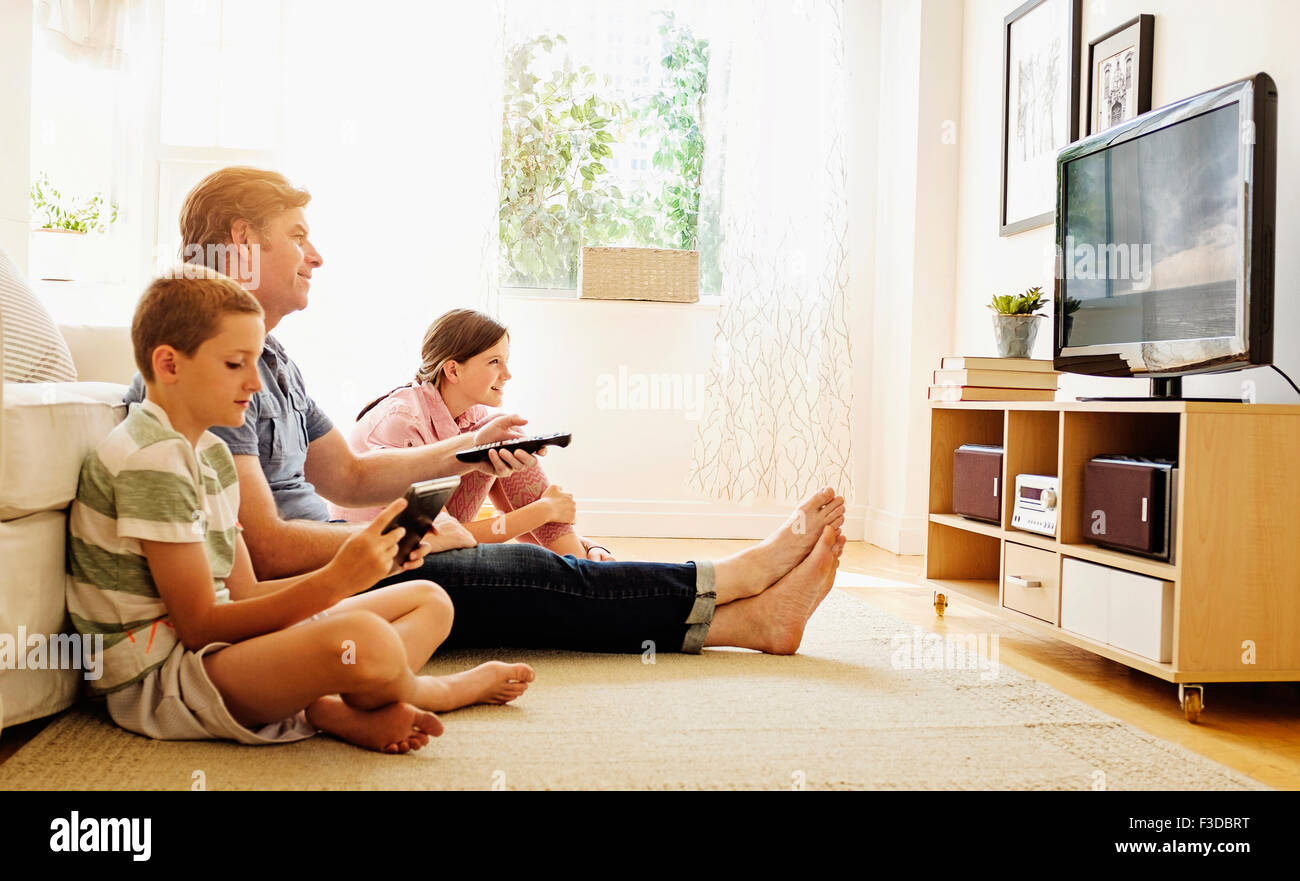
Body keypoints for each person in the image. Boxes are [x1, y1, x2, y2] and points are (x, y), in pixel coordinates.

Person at [127, 166, 848, 658]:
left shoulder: (273, 361)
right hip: (329, 572)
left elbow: (346, 474)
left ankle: (749, 619)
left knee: (516, 569)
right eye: (298, 235)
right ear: (245, 242)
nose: (317, 254)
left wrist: (465, 454)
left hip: (350, 554)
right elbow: (272, 548)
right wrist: (406, 543)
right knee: (521, 570)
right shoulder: (206, 375)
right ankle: (735, 581)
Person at [78, 269, 534, 755]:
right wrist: (337, 579)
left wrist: (364, 565)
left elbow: (245, 593)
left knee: (429, 598)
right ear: (169, 365)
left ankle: (330, 709)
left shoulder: (210, 453)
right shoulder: (152, 462)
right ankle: (433, 692)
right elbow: (200, 626)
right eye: (236, 364)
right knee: (364, 639)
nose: (255, 382)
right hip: (170, 675)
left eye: (256, 362)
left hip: (222, 645)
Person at [330, 308, 610, 560]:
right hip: (389, 559)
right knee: (500, 441)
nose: (507, 374)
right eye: (494, 362)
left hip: (432, 540)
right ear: (452, 370)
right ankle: (584, 575)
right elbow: (442, 538)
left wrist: (583, 545)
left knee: (508, 439)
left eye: (506, 361)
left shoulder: (471, 418)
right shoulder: (402, 422)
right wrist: (546, 510)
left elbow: (516, 507)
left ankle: (582, 565)